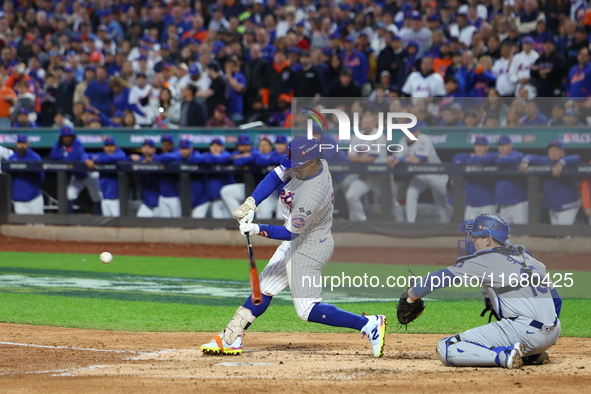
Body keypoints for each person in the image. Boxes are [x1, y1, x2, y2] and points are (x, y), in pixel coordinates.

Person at [200, 136, 386, 357]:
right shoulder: (310, 163)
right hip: (298, 241)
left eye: (297, 166)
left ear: (312, 162)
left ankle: (368, 323)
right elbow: (276, 175)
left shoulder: (312, 194)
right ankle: (231, 337)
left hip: (310, 246)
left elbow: (290, 233)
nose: (292, 169)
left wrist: (256, 229)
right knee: (264, 288)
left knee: (306, 309)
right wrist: (252, 202)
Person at [402, 214, 561, 369]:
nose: (471, 240)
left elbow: (442, 277)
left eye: (475, 237)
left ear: (488, 240)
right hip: (553, 332)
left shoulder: (486, 259)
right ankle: (532, 354)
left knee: (447, 346)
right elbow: (557, 301)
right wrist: (546, 334)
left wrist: (411, 295)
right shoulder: (529, 258)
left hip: (525, 333)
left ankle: (504, 356)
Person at [388, 127, 450, 223]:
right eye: (408, 131)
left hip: (436, 175)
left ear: (418, 132)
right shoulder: (403, 141)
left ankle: (446, 225)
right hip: (421, 175)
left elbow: (417, 159)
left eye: (413, 131)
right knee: (411, 193)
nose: (410, 134)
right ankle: (410, 223)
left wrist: (400, 159)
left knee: (441, 204)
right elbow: (396, 156)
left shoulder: (424, 139)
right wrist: (392, 159)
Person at [520, 140, 581, 225]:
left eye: (556, 150)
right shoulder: (546, 160)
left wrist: (561, 163)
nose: (553, 153)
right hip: (552, 206)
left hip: (567, 205)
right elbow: (532, 156)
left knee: (564, 235)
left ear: (562, 153)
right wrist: (525, 161)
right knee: (557, 235)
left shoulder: (568, 162)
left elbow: (576, 157)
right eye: (551, 150)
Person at [341, 112, 387, 222]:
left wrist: (359, 159)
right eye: (365, 122)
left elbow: (370, 158)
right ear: (361, 123)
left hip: (381, 177)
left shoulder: (379, 135)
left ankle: (400, 225)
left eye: (370, 122)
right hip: (365, 176)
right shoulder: (358, 136)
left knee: (390, 202)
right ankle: (362, 221)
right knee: (351, 196)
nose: (367, 125)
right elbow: (350, 156)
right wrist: (361, 159)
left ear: (374, 123)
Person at [49, 126, 102, 214]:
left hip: (90, 175)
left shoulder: (77, 143)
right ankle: (68, 220)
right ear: (61, 137)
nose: (67, 139)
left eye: (69, 136)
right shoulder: (59, 144)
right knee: (69, 195)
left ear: (73, 137)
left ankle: (99, 218)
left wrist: (63, 157)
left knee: (97, 197)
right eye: (65, 136)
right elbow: (53, 156)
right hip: (77, 177)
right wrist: (65, 156)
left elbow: (72, 158)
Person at [453, 135, 497, 219]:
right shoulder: (469, 156)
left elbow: (486, 159)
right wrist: (471, 157)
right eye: (477, 146)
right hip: (471, 202)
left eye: (482, 146)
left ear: (487, 147)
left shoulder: (492, 158)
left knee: (485, 231)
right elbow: (456, 158)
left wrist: (472, 159)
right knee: (469, 230)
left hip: (488, 202)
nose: (479, 148)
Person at [85, 137, 126, 217]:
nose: (109, 148)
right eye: (107, 146)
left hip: (116, 199)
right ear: (104, 147)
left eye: (111, 146)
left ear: (115, 146)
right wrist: (85, 160)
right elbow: (84, 155)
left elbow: (114, 157)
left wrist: (96, 160)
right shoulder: (101, 154)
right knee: (107, 223)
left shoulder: (120, 154)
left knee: (119, 222)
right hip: (104, 197)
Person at [494, 135, 528, 224]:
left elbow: (507, 160)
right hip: (503, 203)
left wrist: (499, 159)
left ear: (510, 145)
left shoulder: (518, 155)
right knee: (505, 235)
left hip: (518, 203)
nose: (501, 148)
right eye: (500, 145)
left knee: (522, 234)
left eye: (504, 145)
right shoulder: (496, 156)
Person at [8, 134, 44, 215]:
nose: (21, 146)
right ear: (16, 144)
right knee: (23, 225)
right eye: (20, 143)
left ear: (27, 144)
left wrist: (34, 190)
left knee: (38, 224)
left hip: (34, 198)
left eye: (23, 143)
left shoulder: (35, 157)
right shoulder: (12, 158)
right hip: (18, 198)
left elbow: (41, 177)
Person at [198, 138, 234, 218]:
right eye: (213, 145)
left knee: (233, 224)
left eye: (218, 145)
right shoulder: (207, 155)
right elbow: (198, 159)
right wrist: (212, 158)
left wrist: (211, 158)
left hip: (227, 200)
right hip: (215, 200)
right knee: (218, 227)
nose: (215, 147)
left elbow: (224, 158)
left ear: (223, 147)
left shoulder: (227, 155)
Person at [130, 139, 160, 218]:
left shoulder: (160, 159)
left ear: (154, 149)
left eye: (149, 147)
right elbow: (125, 158)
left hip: (161, 204)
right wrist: (132, 157)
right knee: (139, 225)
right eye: (144, 147)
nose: (147, 149)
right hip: (147, 203)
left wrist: (151, 162)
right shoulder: (140, 160)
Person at [155, 134, 181, 218]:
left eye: (168, 144)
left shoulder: (177, 153)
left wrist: (158, 157)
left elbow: (175, 156)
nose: (166, 146)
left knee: (177, 225)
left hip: (175, 197)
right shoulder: (160, 156)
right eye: (164, 144)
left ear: (172, 145)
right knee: (164, 225)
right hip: (162, 196)